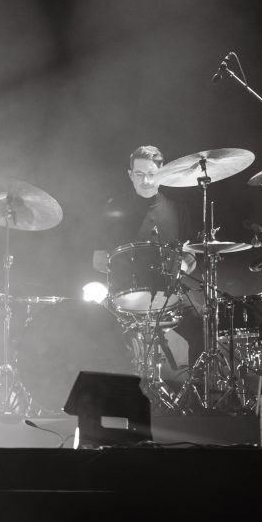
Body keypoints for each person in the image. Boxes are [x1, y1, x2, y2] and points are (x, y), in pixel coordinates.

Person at [93, 145, 203, 373]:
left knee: (202, 331)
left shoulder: (178, 209)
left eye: (152, 174)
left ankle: (196, 395)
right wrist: (120, 274)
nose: (146, 181)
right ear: (130, 175)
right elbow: (97, 260)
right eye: (139, 174)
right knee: (101, 338)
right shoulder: (114, 207)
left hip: (169, 296)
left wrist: (183, 265)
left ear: (162, 173)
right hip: (124, 299)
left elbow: (190, 254)